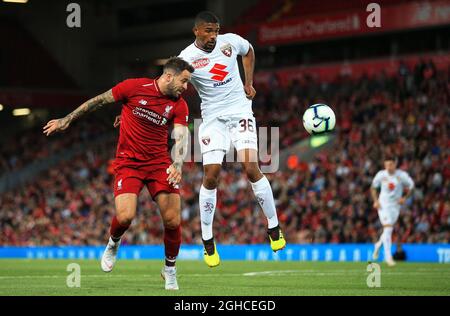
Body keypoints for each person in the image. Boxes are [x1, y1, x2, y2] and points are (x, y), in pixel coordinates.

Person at [43, 57, 194, 290]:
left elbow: (182, 135)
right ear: (168, 76)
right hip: (129, 163)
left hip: (159, 164)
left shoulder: (179, 104)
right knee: (125, 217)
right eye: (184, 82)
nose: (186, 87)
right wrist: (67, 119)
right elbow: (99, 101)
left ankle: (170, 269)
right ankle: (113, 243)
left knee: (173, 220)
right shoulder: (134, 87)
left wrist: (178, 164)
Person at [178, 11, 286, 268]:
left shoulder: (230, 42)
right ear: (196, 31)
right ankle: (207, 239)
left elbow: (248, 51)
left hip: (240, 112)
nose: (213, 36)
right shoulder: (187, 58)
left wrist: (249, 83)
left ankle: (274, 227)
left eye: (215, 30)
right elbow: (172, 84)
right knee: (212, 174)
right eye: (207, 31)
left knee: (251, 167)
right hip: (212, 119)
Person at [371, 156, 414, 266]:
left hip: (395, 206)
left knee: (388, 230)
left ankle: (378, 245)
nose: (388, 167)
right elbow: (373, 187)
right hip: (383, 205)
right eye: (386, 165)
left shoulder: (401, 175)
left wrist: (405, 198)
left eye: (390, 164)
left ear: (395, 164)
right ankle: (388, 257)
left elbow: (412, 186)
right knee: (388, 228)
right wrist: (376, 201)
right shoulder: (381, 175)